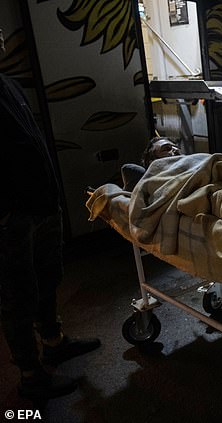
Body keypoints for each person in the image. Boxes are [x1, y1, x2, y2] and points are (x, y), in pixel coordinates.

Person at [0, 27, 100, 399]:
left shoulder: (8, 84)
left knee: (47, 277)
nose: (0, 36)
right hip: (11, 216)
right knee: (16, 294)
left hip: (40, 204)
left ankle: (55, 341)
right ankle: (30, 375)